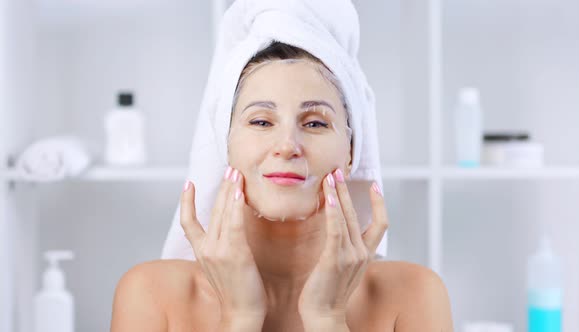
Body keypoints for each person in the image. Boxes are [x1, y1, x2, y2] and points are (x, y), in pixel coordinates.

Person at [110, 41, 453, 332]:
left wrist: (328, 319)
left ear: (351, 152)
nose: (287, 145)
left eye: (316, 122)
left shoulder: (414, 295)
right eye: (261, 121)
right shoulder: (151, 295)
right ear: (225, 147)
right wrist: (239, 317)